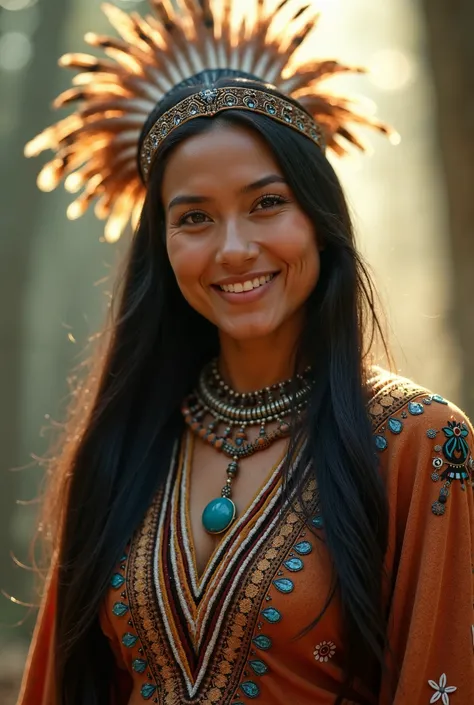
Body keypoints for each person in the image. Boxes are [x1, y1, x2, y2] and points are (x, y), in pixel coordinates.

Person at [17, 1, 474, 704]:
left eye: (266, 203)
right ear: (161, 247)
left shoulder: (421, 444)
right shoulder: (121, 443)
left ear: (319, 219)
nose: (233, 248)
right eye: (194, 217)